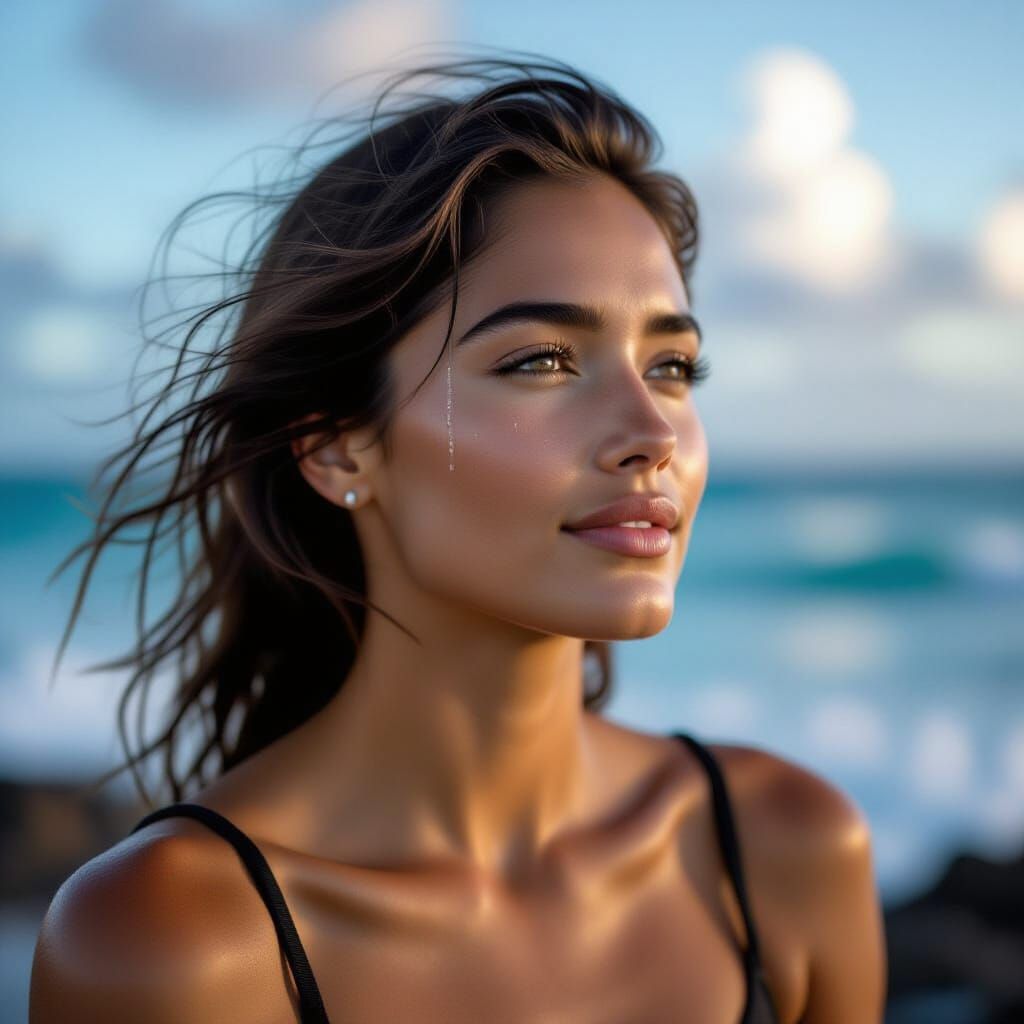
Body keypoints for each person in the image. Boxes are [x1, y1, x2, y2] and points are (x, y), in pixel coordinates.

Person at [29, 52, 886, 1023]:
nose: (651, 433)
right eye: (543, 361)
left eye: (674, 365)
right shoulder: (169, 940)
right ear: (338, 446)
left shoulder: (786, 852)